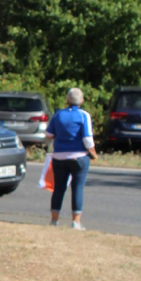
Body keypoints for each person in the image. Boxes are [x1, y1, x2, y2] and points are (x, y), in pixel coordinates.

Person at [46, 87, 97, 230]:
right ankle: (76, 222)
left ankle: (54, 221)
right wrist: (93, 152)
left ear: (67, 100)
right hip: (79, 157)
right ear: (82, 101)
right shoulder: (84, 115)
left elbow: (49, 134)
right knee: (77, 188)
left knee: (58, 188)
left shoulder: (58, 115)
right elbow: (87, 139)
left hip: (59, 156)